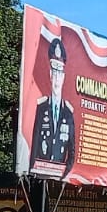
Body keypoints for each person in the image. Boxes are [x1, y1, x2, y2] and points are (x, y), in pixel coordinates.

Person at [29, 38, 76, 177]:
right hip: (39, 174)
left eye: (59, 72)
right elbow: (35, 143)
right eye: (54, 71)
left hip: (58, 177)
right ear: (50, 75)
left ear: (64, 76)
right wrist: (32, 171)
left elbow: (72, 150)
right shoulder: (41, 107)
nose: (56, 77)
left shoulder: (68, 113)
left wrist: (64, 174)